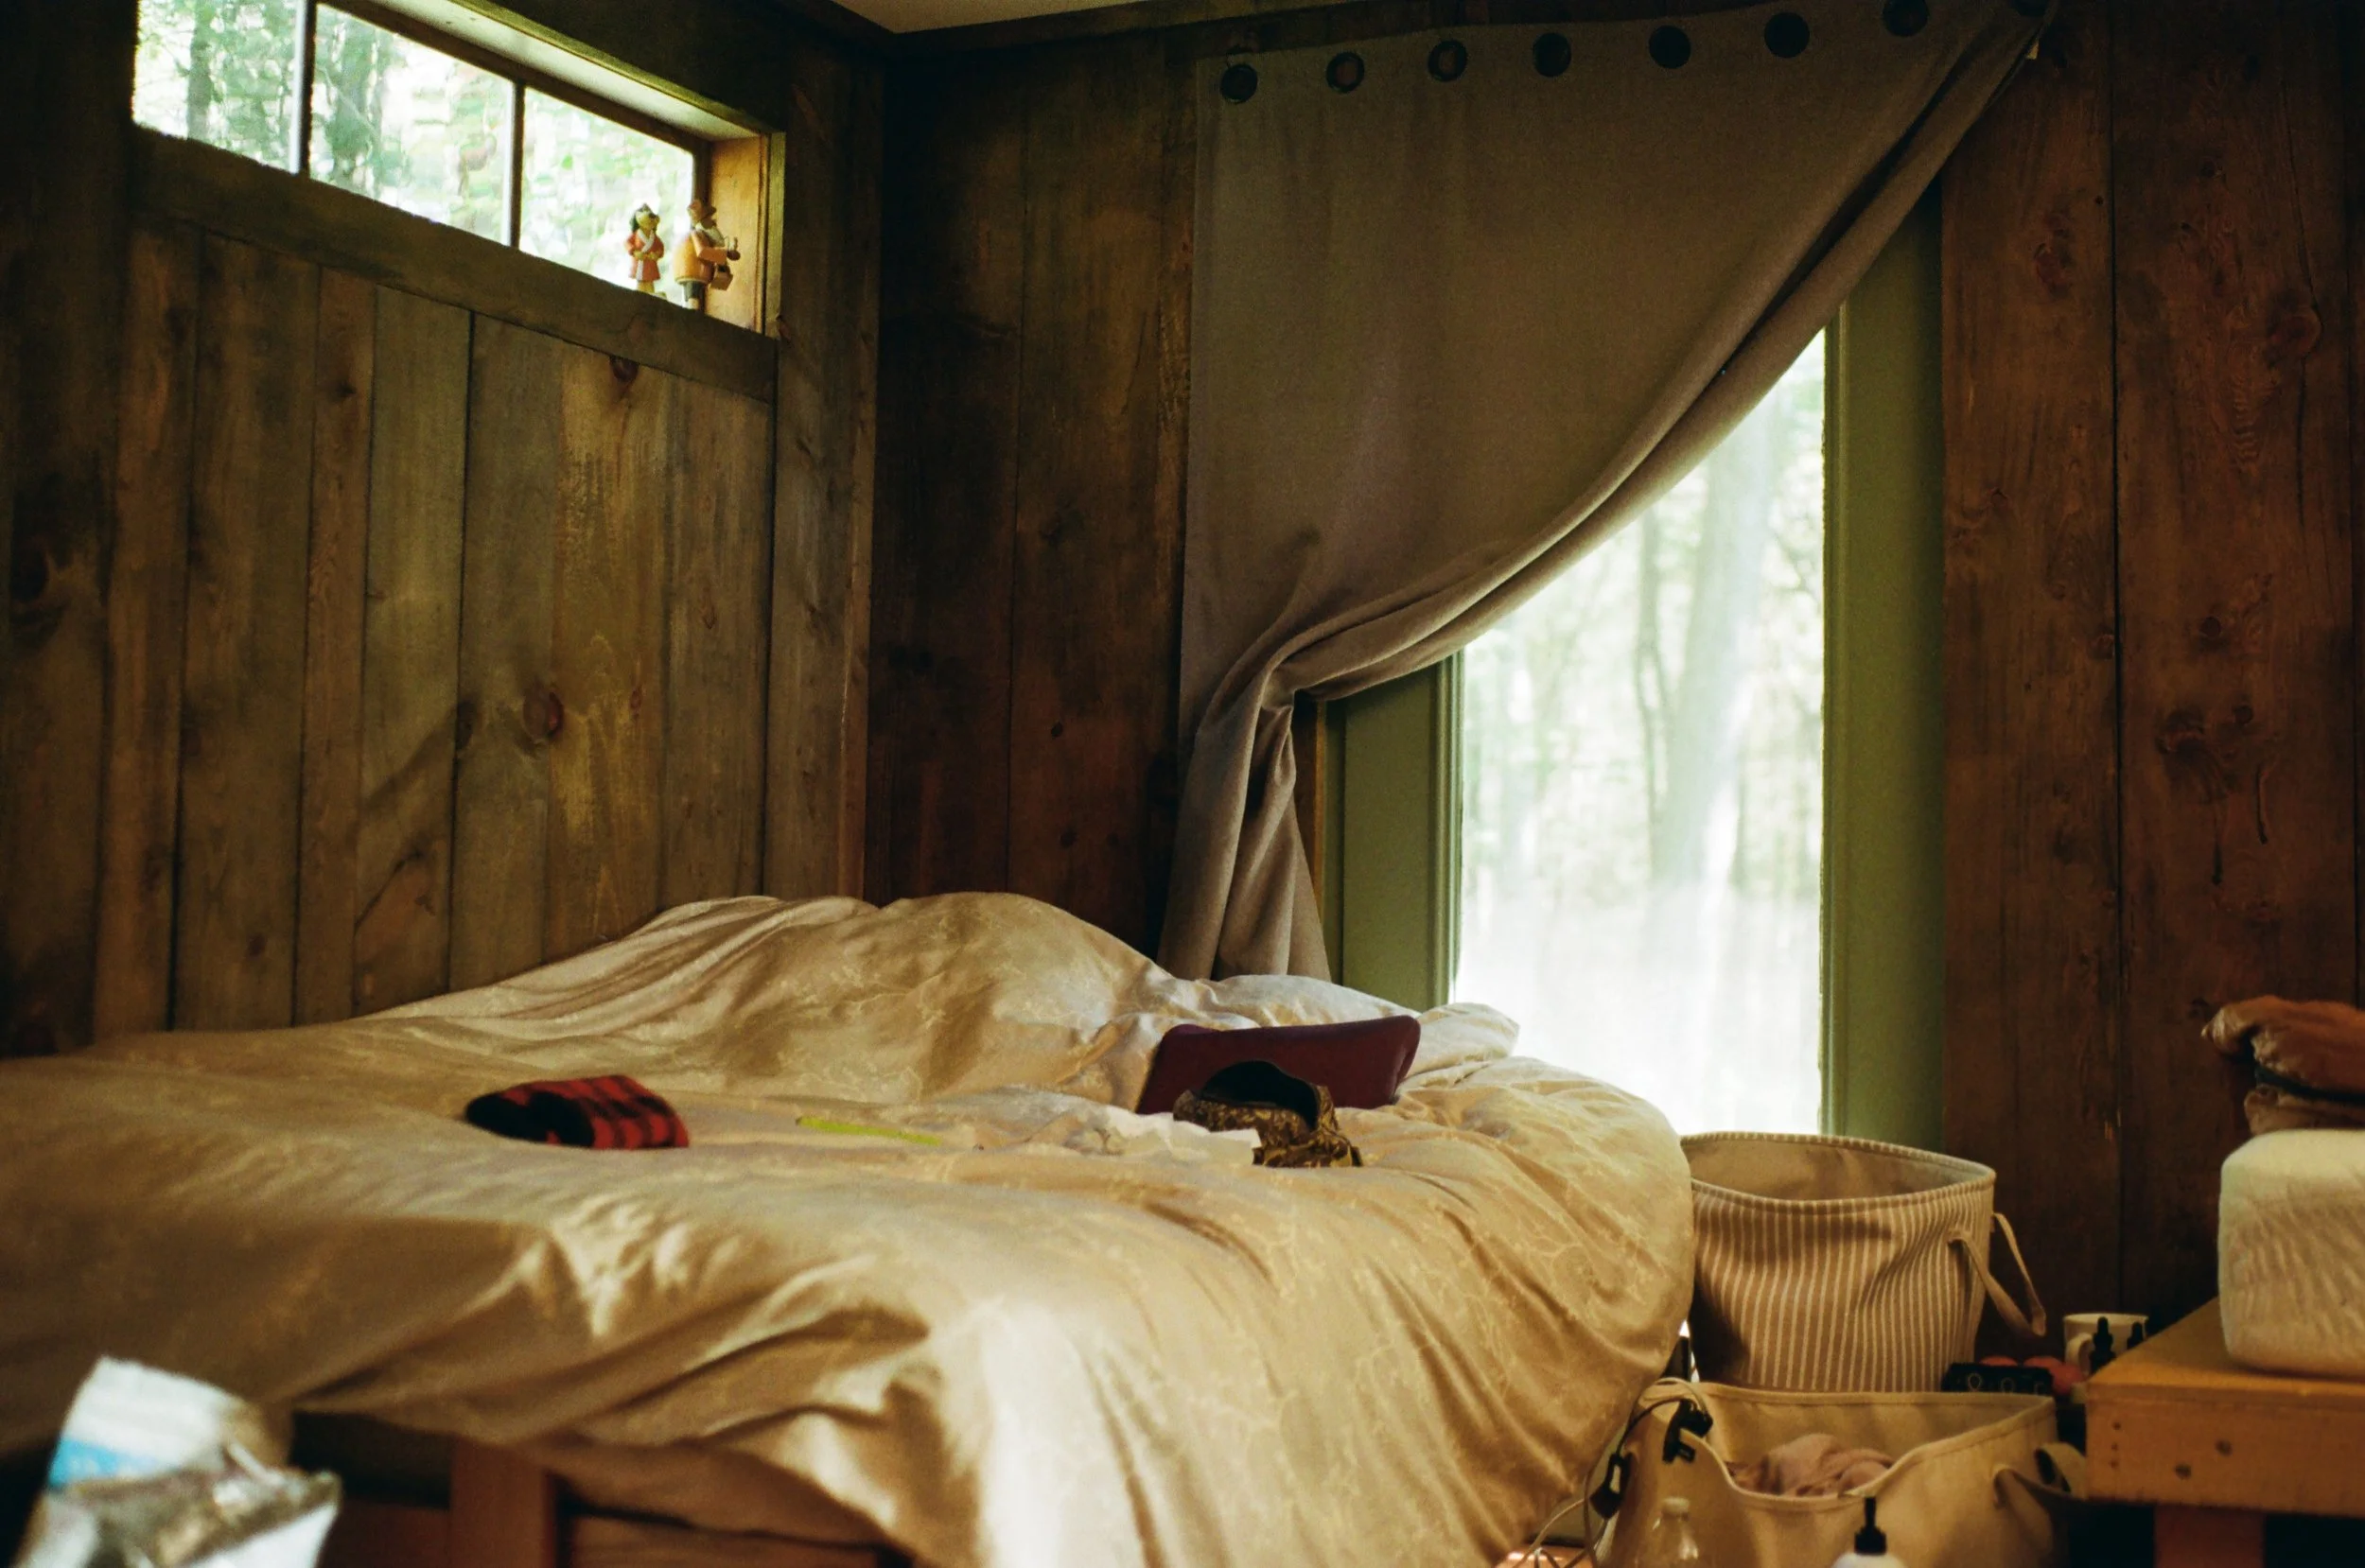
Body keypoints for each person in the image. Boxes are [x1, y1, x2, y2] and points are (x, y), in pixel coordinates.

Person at [673, 197, 740, 308]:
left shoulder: (703, 236)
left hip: (697, 273)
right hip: (692, 272)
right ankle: (692, 312)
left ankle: (692, 310)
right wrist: (725, 254)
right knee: (693, 297)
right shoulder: (696, 234)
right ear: (703, 221)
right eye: (709, 219)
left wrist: (726, 253)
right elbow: (702, 252)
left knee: (694, 297)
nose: (713, 222)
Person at [624, 205, 665, 293]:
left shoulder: (654, 237)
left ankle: (651, 298)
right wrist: (634, 252)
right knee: (641, 285)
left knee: (650, 285)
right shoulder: (636, 234)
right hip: (640, 263)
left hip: (650, 264)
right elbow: (627, 243)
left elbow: (660, 247)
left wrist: (657, 254)